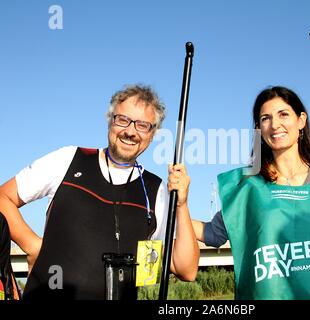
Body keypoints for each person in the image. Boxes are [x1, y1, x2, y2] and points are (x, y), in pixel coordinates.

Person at [0, 84, 199, 299]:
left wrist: (181, 204)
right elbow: (4, 197)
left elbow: (186, 269)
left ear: (152, 134)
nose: (130, 131)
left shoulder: (156, 189)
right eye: (123, 119)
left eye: (142, 125)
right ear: (110, 120)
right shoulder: (68, 159)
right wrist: (31, 244)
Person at [193, 86, 310, 300]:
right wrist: (175, 208)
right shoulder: (248, 186)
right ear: (258, 129)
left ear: (301, 120)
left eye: (283, 114)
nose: (275, 125)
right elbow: (213, 233)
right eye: (265, 118)